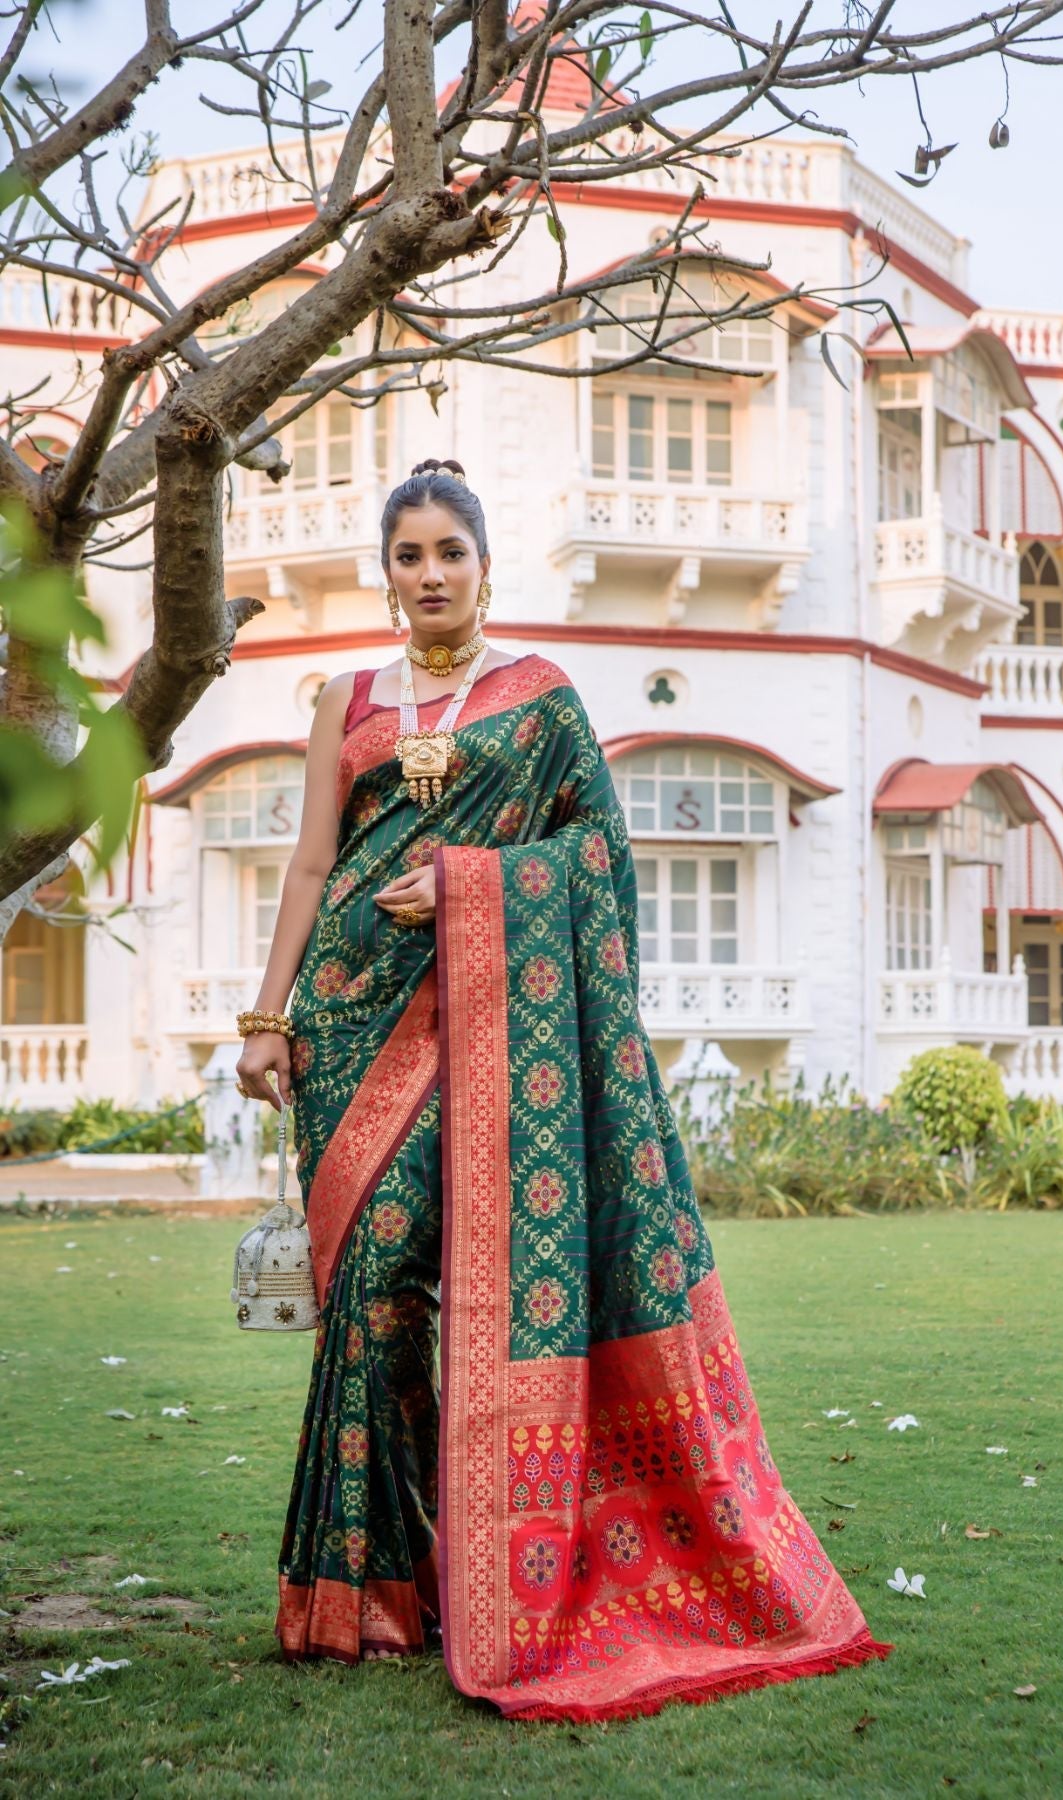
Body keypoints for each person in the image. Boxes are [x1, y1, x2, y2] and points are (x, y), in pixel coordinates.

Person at [235, 457, 891, 1721]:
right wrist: (269, 1018)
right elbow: (312, 861)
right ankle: (379, 1582)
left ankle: (420, 1572)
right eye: (410, 555)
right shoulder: (346, 700)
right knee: (367, 1289)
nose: (431, 575)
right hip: (348, 1019)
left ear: (487, 566)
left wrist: (471, 883)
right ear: (386, 574)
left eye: (451, 554)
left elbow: (599, 854)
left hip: (482, 1032)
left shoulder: (540, 704)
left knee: (425, 1276)